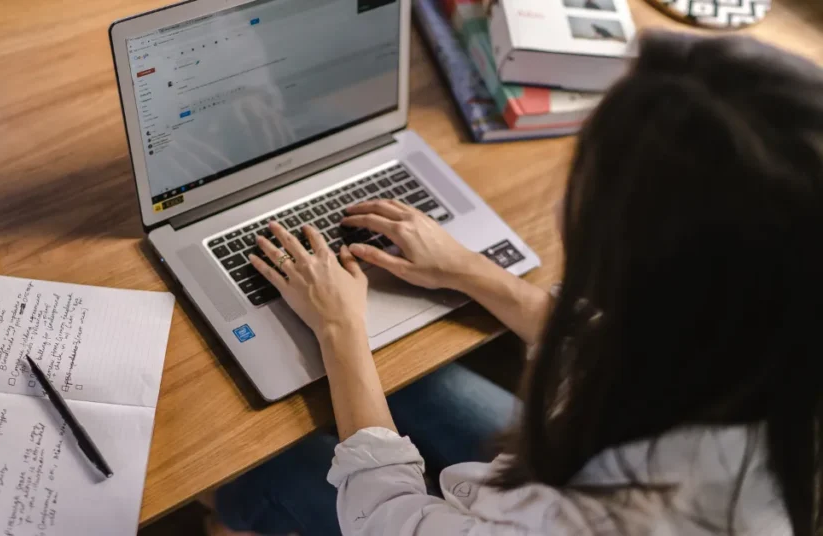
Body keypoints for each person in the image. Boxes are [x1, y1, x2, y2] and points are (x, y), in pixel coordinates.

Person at [204, 32, 823, 535]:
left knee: (271, 467)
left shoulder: (603, 521)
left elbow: (386, 518)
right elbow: (604, 342)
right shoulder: (769, 342)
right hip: (546, 474)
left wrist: (340, 328)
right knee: (418, 376)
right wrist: (467, 269)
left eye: (585, 172)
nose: (562, 200)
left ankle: (227, 517)